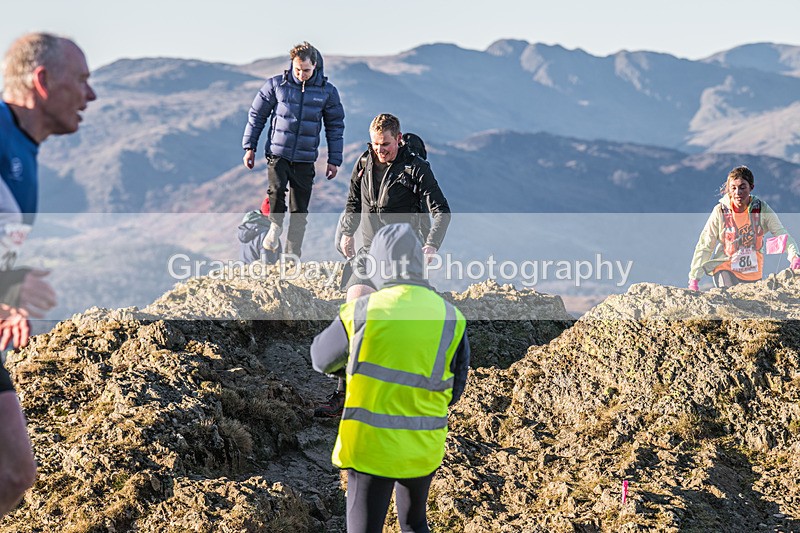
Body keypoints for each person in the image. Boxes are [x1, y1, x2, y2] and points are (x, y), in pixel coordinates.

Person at [311, 223, 470, 533]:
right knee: (413, 523)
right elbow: (455, 390)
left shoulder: (363, 311)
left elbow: (320, 359)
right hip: (423, 443)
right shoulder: (450, 317)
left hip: (371, 445)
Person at [0, 32, 95, 518]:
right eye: (82, 80)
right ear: (42, 81)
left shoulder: (21, 146)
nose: (91, 95)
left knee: (16, 471)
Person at [314, 113, 451, 417]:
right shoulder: (363, 163)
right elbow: (352, 202)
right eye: (376, 144)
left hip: (404, 255)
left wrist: (431, 244)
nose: (380, 150)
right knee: (355, 308)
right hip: (367, 251)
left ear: (398, 139)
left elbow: (442, 211)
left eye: (386, 145)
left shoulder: (415, 169)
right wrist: (347, 231)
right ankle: (344, 392)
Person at [241, 41, 345, 258]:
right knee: (276, 191)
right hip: (278, 153)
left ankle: (292, 255)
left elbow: (335, 127)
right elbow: (257, 116)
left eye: (306, 70)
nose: (301, 74)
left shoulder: (327, 92)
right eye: (297, 69)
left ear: (315, 65)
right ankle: (275, 227)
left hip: (305, 159)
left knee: (300, 211)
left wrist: (334, 160)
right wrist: (249, 147)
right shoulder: (276, 85)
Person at [689, 165, 800, 290]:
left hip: (753, 273)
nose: (738, 192)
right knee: (730, 298)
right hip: (725, 268)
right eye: (733, 188)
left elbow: (781, 233)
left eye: (742, 187)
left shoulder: (761, 209)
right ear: (729, 190)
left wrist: (794, 256)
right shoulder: (720, 211)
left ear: (751, 187)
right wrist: (694, 278)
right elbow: (705, 244)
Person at [237, 197, 282, 263]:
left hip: (245, 270)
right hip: (260, 272)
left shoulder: (246, 228)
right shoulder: (268, 234)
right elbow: (269, 263)